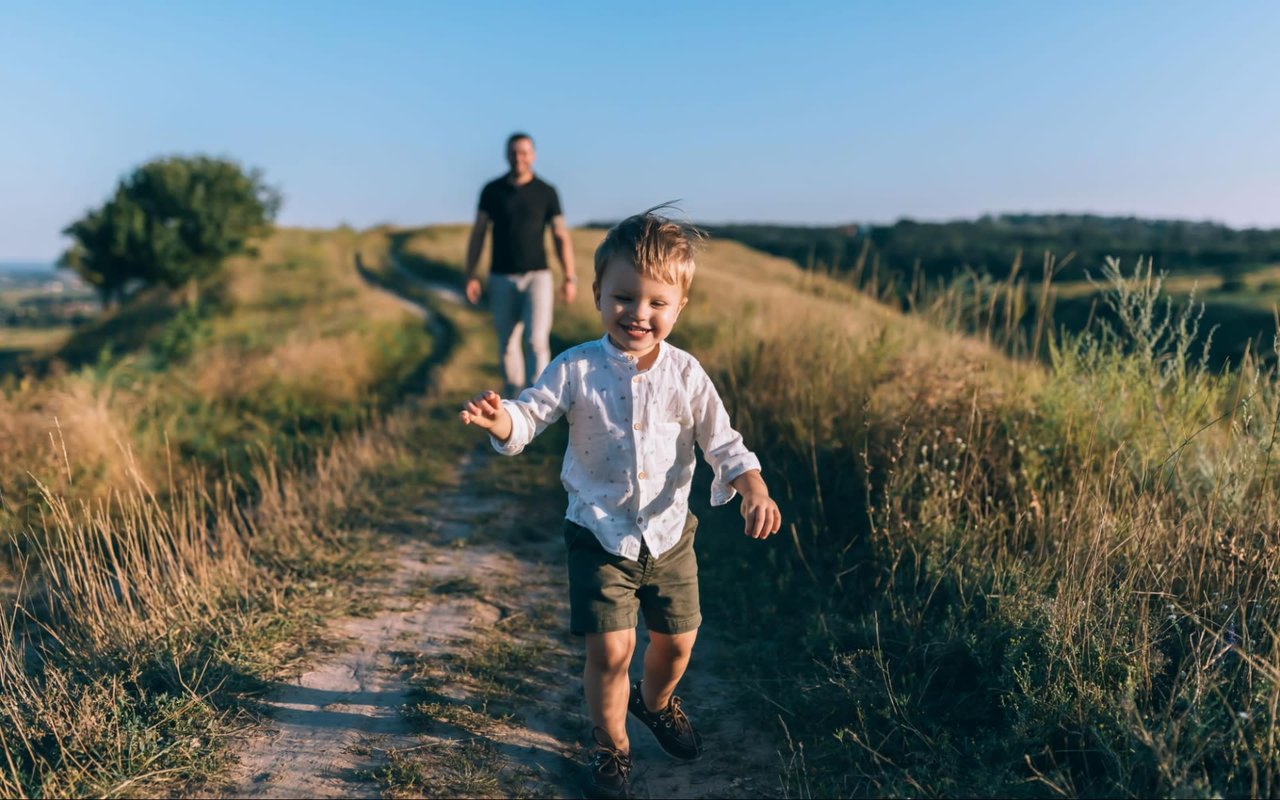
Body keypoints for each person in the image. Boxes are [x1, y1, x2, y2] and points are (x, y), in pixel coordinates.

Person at [459, 208, 782, 799]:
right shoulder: (576, 367)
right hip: (598, 534)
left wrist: (752, 488)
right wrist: (501, 419)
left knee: (677, 642)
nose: (639, 313)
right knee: (611, 651)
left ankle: (656, 704)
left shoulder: (687, 374)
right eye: (624, 297)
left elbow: (722, 442)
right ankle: (612, 751)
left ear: (679, 306)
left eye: (657, 303)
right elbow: (530, 415)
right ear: (598, 296)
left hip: (669, 535)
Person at [465, 132, 577, 397]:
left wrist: (569, 277)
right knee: (507, 343)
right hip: (500, 277)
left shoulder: (547, 192)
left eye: (524, 152)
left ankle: (537, 401)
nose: (519, 158)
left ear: (533, 155)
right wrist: (470, 274)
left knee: (536, 341)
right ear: (507, 155)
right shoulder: (492, 191)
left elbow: (560, 235)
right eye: (514, 152)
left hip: (538, 277)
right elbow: (479, 232)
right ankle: (513, 399)